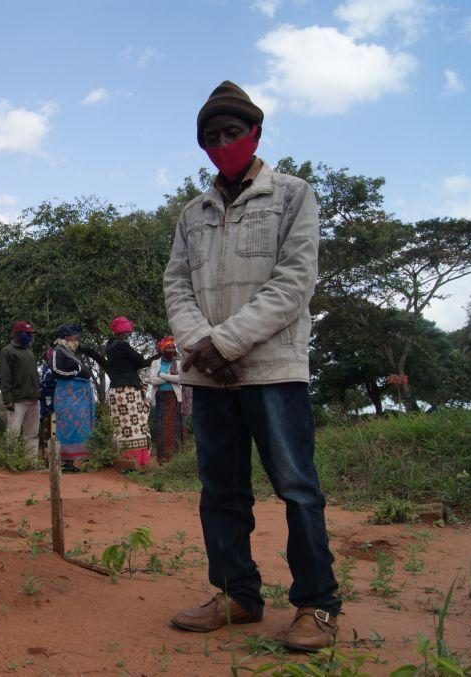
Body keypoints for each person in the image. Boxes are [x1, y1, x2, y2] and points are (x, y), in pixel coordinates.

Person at [163, 80, 341, 651]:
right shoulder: (193, 213)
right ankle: (237, 595)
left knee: (297, 489)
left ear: (256, 133)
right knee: (220, 491)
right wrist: (200, 346)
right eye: (210, 137)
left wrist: (227, 343)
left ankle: (317, 605)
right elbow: (176, 285)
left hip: (273, 370)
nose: (221, 144)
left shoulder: (293, 195)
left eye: (231, 133)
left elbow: (294, 283)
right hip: (207, 374)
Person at [103, 316, 156, 471]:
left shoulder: (109, 346)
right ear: (124, 332)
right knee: (135, 425)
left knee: (121, 426)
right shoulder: (122, 346)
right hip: (128, 391)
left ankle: (122, 459)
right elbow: (140, 361)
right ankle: (136, 461)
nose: (129, 334)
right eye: (128, 331)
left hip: (115, 391)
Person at [50, 324, 95, 473]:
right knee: (68, 424)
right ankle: (65, 461)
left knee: (80, 425)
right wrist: (75, 373)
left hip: (80, 395)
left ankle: (75, 461)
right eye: (75, 336)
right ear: (68, 336)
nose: (77, 339)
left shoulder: (69, 352)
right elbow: (55, 370)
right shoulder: (58, 351)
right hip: (67, 395)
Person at [0, 320, 40, 455]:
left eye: (31, 334)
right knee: (13, 433)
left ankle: (31, 462)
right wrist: (7, 399)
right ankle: (11, 460)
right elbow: (5, 376)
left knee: (32, 434)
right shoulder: (7, 351)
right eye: (27, 334)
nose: (30, 336)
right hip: (17, 400)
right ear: (17, 334)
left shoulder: (29, 351)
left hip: (33, 399)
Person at [148, 336, 185, 464]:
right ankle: (162, 459)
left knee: (174, 427)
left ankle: (175, 459)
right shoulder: (155, 363)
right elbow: (153, 381)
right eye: (168, 347)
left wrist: (162, 375)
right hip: (160, 398)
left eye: (173, 347)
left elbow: (180, 379)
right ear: (162, 349)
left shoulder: (179, 362)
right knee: (161, 428)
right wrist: (170, 377)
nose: (171, 350)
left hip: (174, 398)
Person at [38, 346, 57, 462]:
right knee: (50, 431)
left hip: (45, 405)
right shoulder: (50, 368)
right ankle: (49, 458)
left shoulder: (44, 369)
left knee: (46, 431)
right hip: (50, 404)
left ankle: (47, 457)